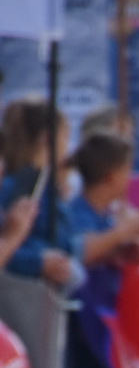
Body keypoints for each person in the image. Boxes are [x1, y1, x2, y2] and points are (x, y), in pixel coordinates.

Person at [0, 98, 84, 289]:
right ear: (48, 139)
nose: (68, 147)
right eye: (65, 137)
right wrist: (38, 261)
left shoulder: (47, 185)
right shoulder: (17, 186)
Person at [67, 132, 139, 268]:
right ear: (111, 176)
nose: (130, 178)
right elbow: (81, 251)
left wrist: (123, 252)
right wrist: (125, 230)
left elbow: (102, 253)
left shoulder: (107, 215)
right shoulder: (76, 212)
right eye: (127, 170)